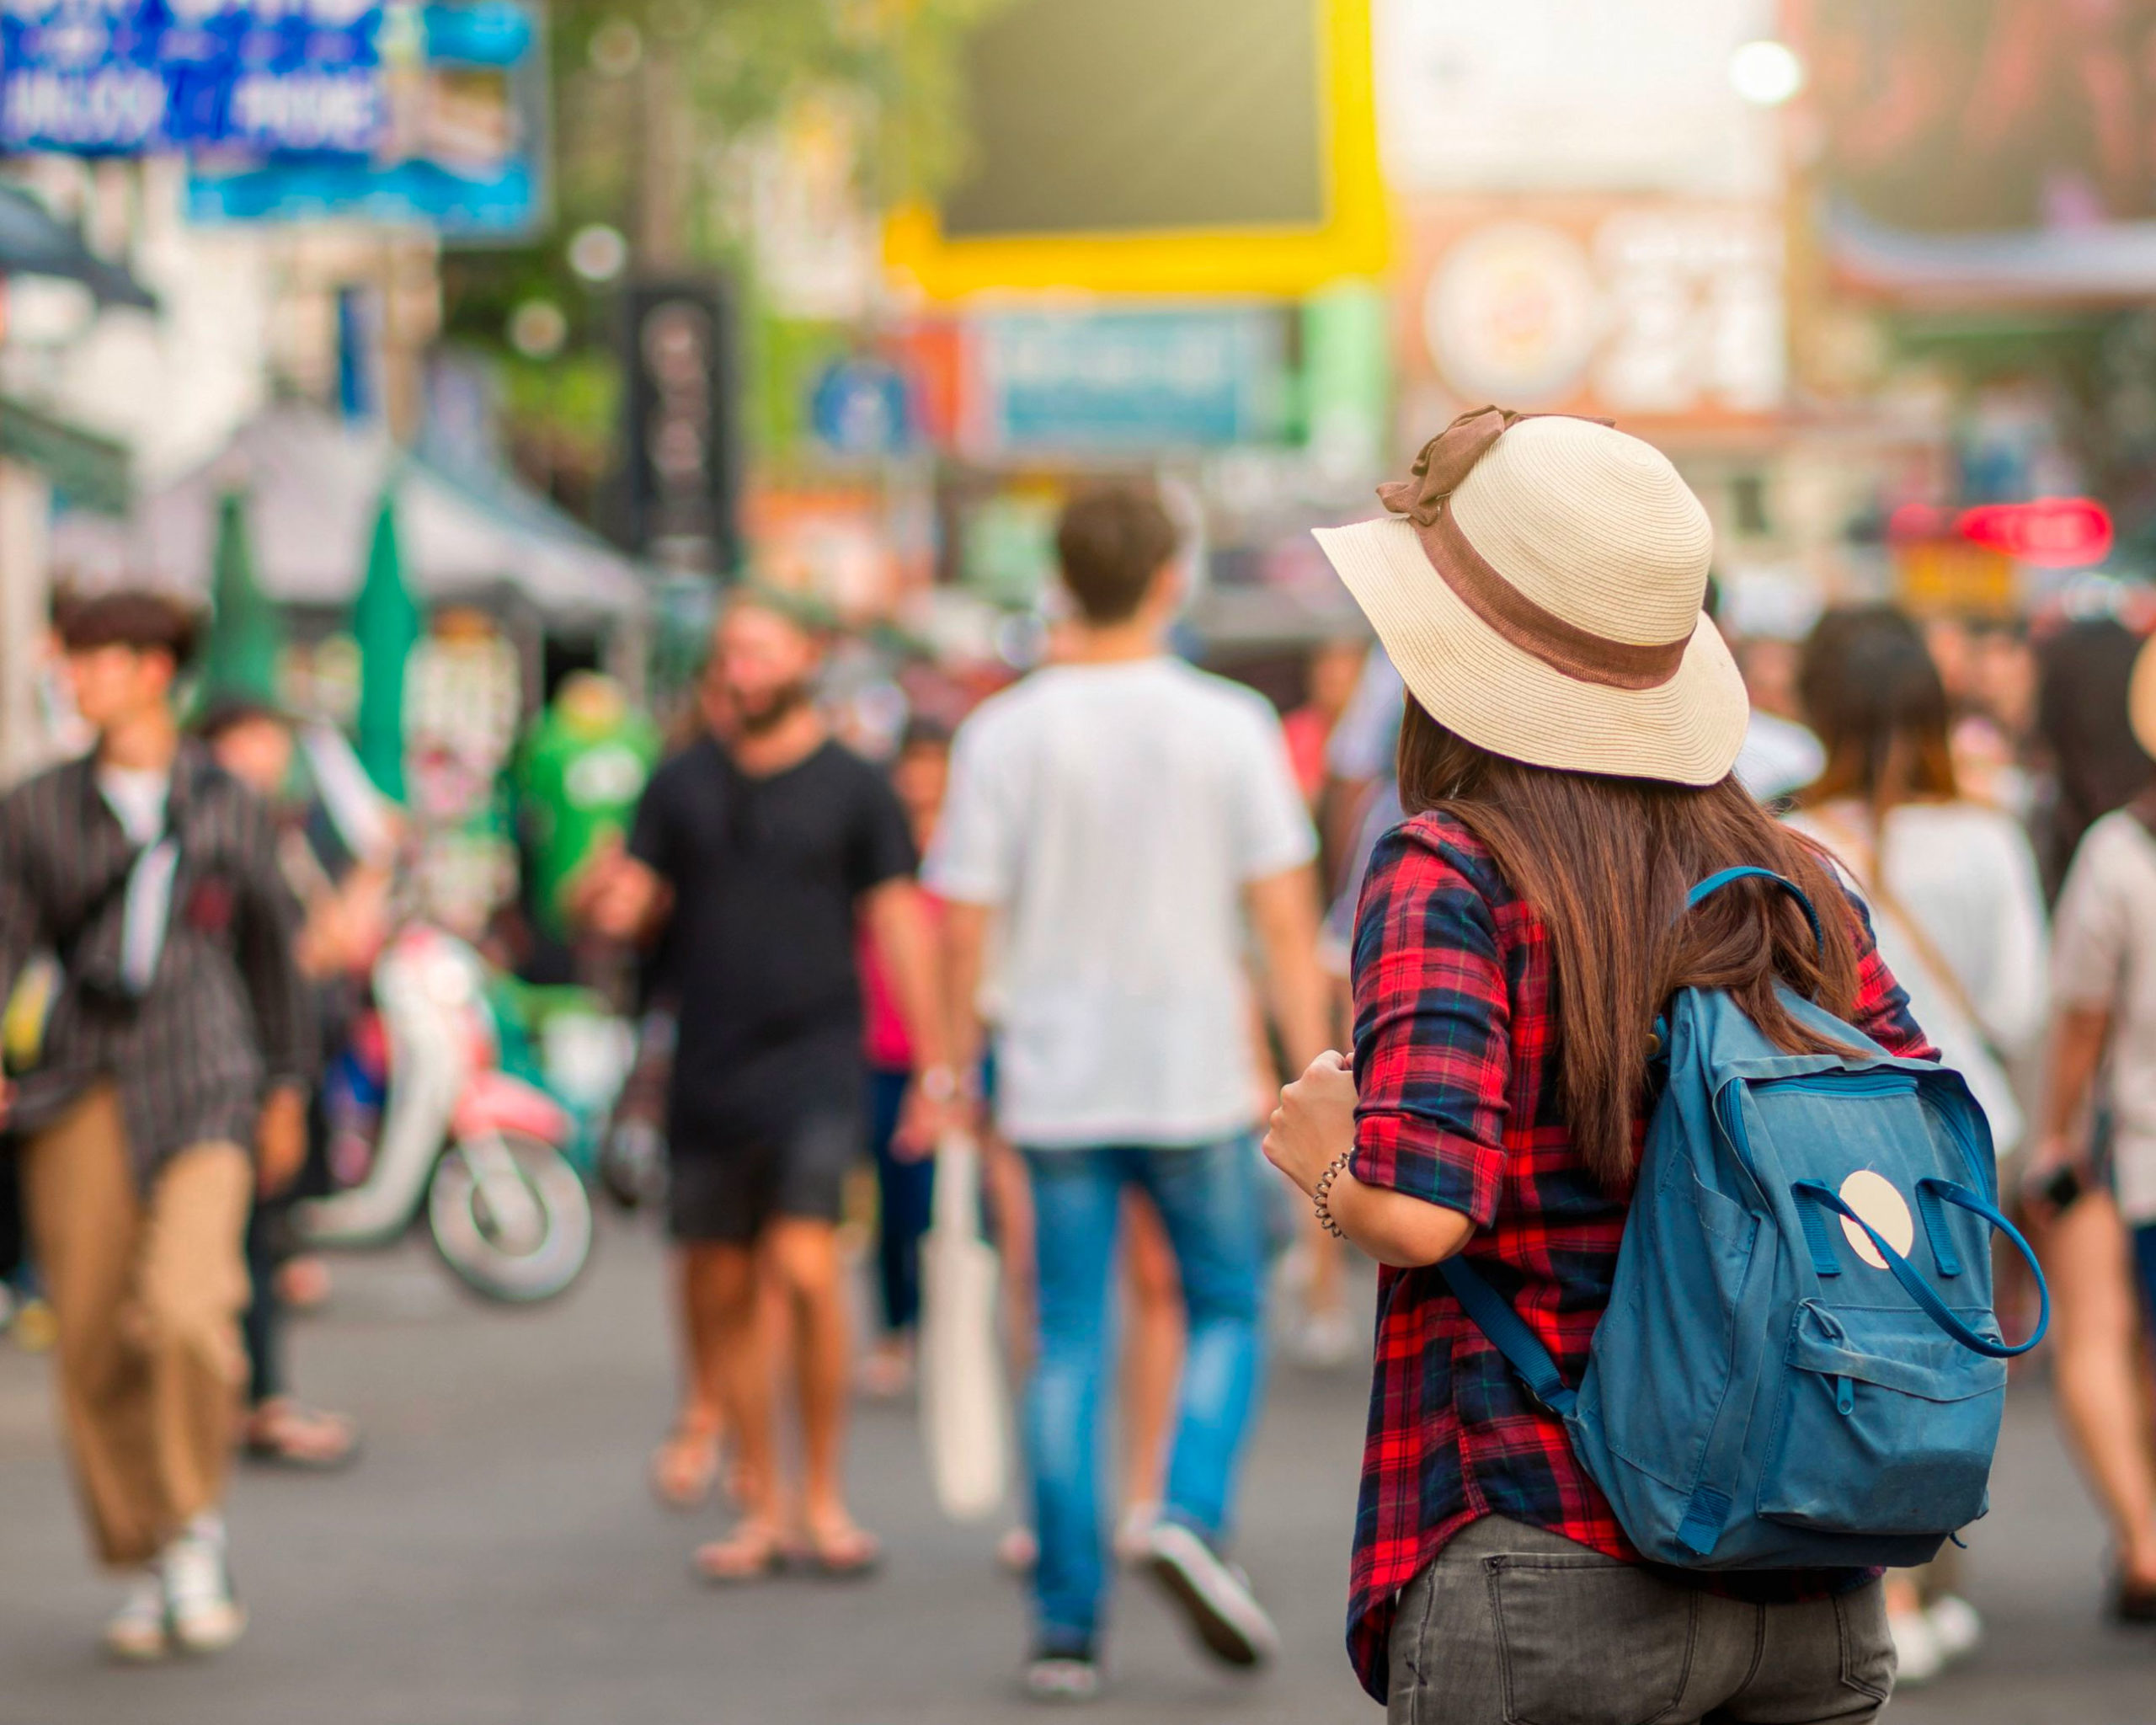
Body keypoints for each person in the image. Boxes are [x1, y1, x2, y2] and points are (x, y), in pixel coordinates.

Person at [1273, 411, 1919, 1721]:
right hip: (1809, 1562)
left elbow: (1422, 1213)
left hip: (1550, 1545)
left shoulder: (1455, 867)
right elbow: (1912, 1151)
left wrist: (1325, 1159)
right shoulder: (1796, 881)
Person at [929, 483, 1331, 1700]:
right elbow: (1281, 917)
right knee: (1223, 1302)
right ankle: (1187, 1510)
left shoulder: (1005, 731)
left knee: (1065, 1342)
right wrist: (1318, 1068)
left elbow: (964, 922)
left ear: (1062, 577)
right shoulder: (1230, 723)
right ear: (1170, 578)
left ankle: (1064, 1626)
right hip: (1196, 1069)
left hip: (1052, 1076)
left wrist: (953, 1070)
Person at [583, 591, 954, 1583]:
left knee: (800, 1263)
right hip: (706, 1063)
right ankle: (759, 1495)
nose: (738, 669)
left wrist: (933, 1061)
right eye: (727, 654)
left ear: (806, 655)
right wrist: (609, 901)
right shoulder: (678, 782)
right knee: (726, 1281)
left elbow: (899, 925)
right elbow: (637, 896)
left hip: (816, 1058)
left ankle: (821, 1493)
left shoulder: (855, 788)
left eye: (756, 651)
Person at [0, 591, 314, 1659]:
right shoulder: (36, 806)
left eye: (92, 657)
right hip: (78, 1082)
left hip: (207, 1071)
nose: (73, 674)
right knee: (90, 1335)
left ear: (150, 670)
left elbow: (275, 949)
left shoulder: (228, 797)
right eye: (70, 656)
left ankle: (191, 1521)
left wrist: (288, 1084)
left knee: (184, 1307)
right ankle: (142, 1552)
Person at [1784, 606, 2047, 1680]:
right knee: (1947, 1363)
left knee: (1845, 1361)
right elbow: (2020, 1006)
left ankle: (1860, 1582)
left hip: (1830, 1143)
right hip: (1963, 1139)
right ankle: (1929, 1579)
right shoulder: (1986, 836)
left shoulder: (1791, 839)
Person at [195, 696, 369, 1473]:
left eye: (271, 741)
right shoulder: (213, 831)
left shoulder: (280, 832)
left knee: (257, 1237)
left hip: (277, 1059)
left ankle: (251, 1395)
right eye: (249, 741)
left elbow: (329, 942)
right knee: (239, 1240)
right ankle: (248, 1399)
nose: (265, 756)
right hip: (220, 1065)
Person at [2021, 626, 2156, 1626]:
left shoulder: (2118, 848)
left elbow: (2080, 1018)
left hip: (2140, 1146)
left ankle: (2145, 1536)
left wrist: (2054, 1134)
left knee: (2103, 1337)